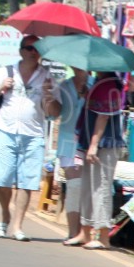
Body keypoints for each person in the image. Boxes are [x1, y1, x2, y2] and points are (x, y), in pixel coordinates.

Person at [0, 36, 49, 240]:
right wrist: (0, 87)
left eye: (37, 49)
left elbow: (54, 111)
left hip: (33, 134)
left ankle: (17, 226)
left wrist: (49, 97)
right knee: (2, 179)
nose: (33, 52)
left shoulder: (47, 77)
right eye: (29, 48)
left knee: (27, 182)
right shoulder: (6, 71)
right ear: (21, 51)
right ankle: (5, 215)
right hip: (6, 131)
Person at [75, 71, 126, 250]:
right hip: (92, 142)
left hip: (105, 144)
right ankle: (85, 231)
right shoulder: (99, 82)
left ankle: (103, 235)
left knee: (101, 186)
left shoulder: (110, 86)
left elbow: (103, 117)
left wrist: (94, 145)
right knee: (88, 186)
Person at [45, 67, 90, 244]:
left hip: (89, 141)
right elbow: (54, 113)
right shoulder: (63, 86)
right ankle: (73, 232)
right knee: (74, 186)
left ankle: (84, 232)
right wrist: (48, 96)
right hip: (69, 141)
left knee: (85, 189)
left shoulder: (95, 85)